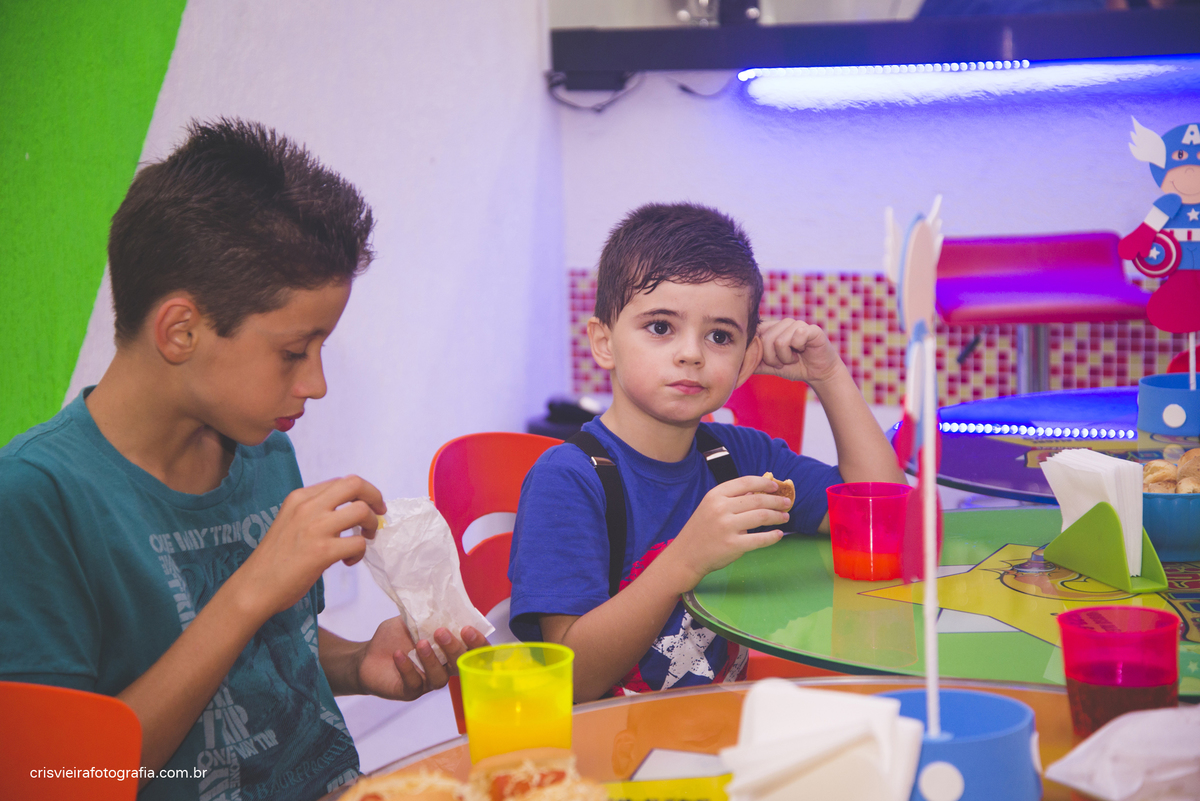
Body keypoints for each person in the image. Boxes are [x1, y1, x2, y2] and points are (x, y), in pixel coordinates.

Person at [0, 119, 487, 800]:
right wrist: (251, 588)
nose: (317, 383)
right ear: (181, 331)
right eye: (293, 352)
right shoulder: (36, 498)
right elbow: (59, 776)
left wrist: (357, 663)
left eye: (321, 349)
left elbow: (272, 650)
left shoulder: (264, 452)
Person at [507, 202, 905, 702]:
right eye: (660, 327)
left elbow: (881, 520)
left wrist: (829, 376)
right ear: (604, 342)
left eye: (719, 336)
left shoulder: (742, 458)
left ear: (746, 360)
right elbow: (571, 684)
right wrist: (685, 559)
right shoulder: (567, 480)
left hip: (721, 725)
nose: (691, 354)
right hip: (614, 739)